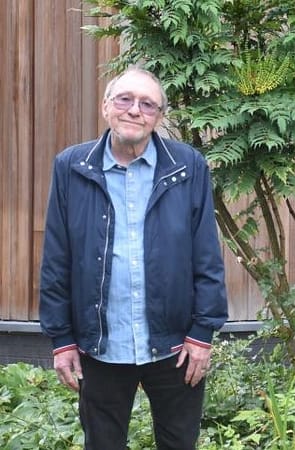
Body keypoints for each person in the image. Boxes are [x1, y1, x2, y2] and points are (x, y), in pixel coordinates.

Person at [39, 66, 228, 450]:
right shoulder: (71, 167)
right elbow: (57, 257)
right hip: (100, 346)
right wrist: (62, 339)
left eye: (147, 104)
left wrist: (202, 335)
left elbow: (206, 255)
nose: (134, 110)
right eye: (124, 99)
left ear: (158, 117)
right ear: (106, 106)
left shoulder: (187, 166)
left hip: (176, 346)